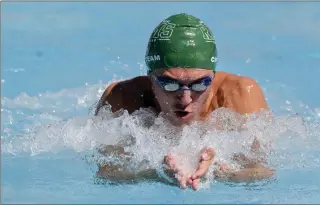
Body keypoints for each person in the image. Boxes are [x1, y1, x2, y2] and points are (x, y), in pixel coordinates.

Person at [94, 13, 275, 190]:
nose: (186, 99)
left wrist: (219, 171)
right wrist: (157, 171)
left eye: (200, 83)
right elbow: (106, 173)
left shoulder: (240, 94)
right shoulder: (123, 98)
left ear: (212, 76)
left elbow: (262, 172)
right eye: (170, 84)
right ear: (150, 78)